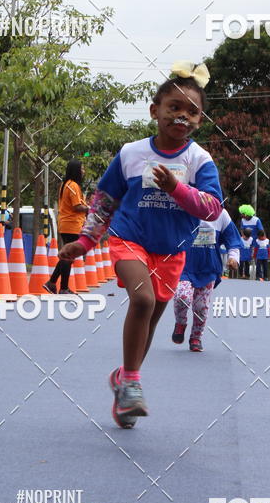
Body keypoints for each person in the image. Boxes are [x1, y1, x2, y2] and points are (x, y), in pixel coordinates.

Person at [57, 64, 223, 428]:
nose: (182, 116)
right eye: (174, 107)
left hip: (172, 250)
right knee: (143, 300)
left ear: (200, 120)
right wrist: (85, 241)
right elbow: (105, 201)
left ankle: (124, 380)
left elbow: (212, 208)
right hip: (129, 239)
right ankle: (133, 382)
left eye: (192, 111)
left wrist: (177, 189)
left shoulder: (199, 160)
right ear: (154, 110)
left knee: (150, 319)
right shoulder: (131, 153)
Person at [172, 209, 240, 351]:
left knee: (201, 307)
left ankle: (196, 337)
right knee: (182, 296)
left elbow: (232, 238)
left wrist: (233, 257)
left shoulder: (220, 213)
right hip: (184, 266)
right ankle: (180, 323)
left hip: (208, 268)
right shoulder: (181, 207)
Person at [44, 159, 89, 294]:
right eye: (81, 169)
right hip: (71, 224)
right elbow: (77, 207)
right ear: (76, 170)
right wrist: (89, 209)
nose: (83, 171)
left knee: (67, 256)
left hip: (68, 224)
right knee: (68, 256)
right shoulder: (73, 186)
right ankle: (62, 287)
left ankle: (53, 283)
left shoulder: (66, 185)